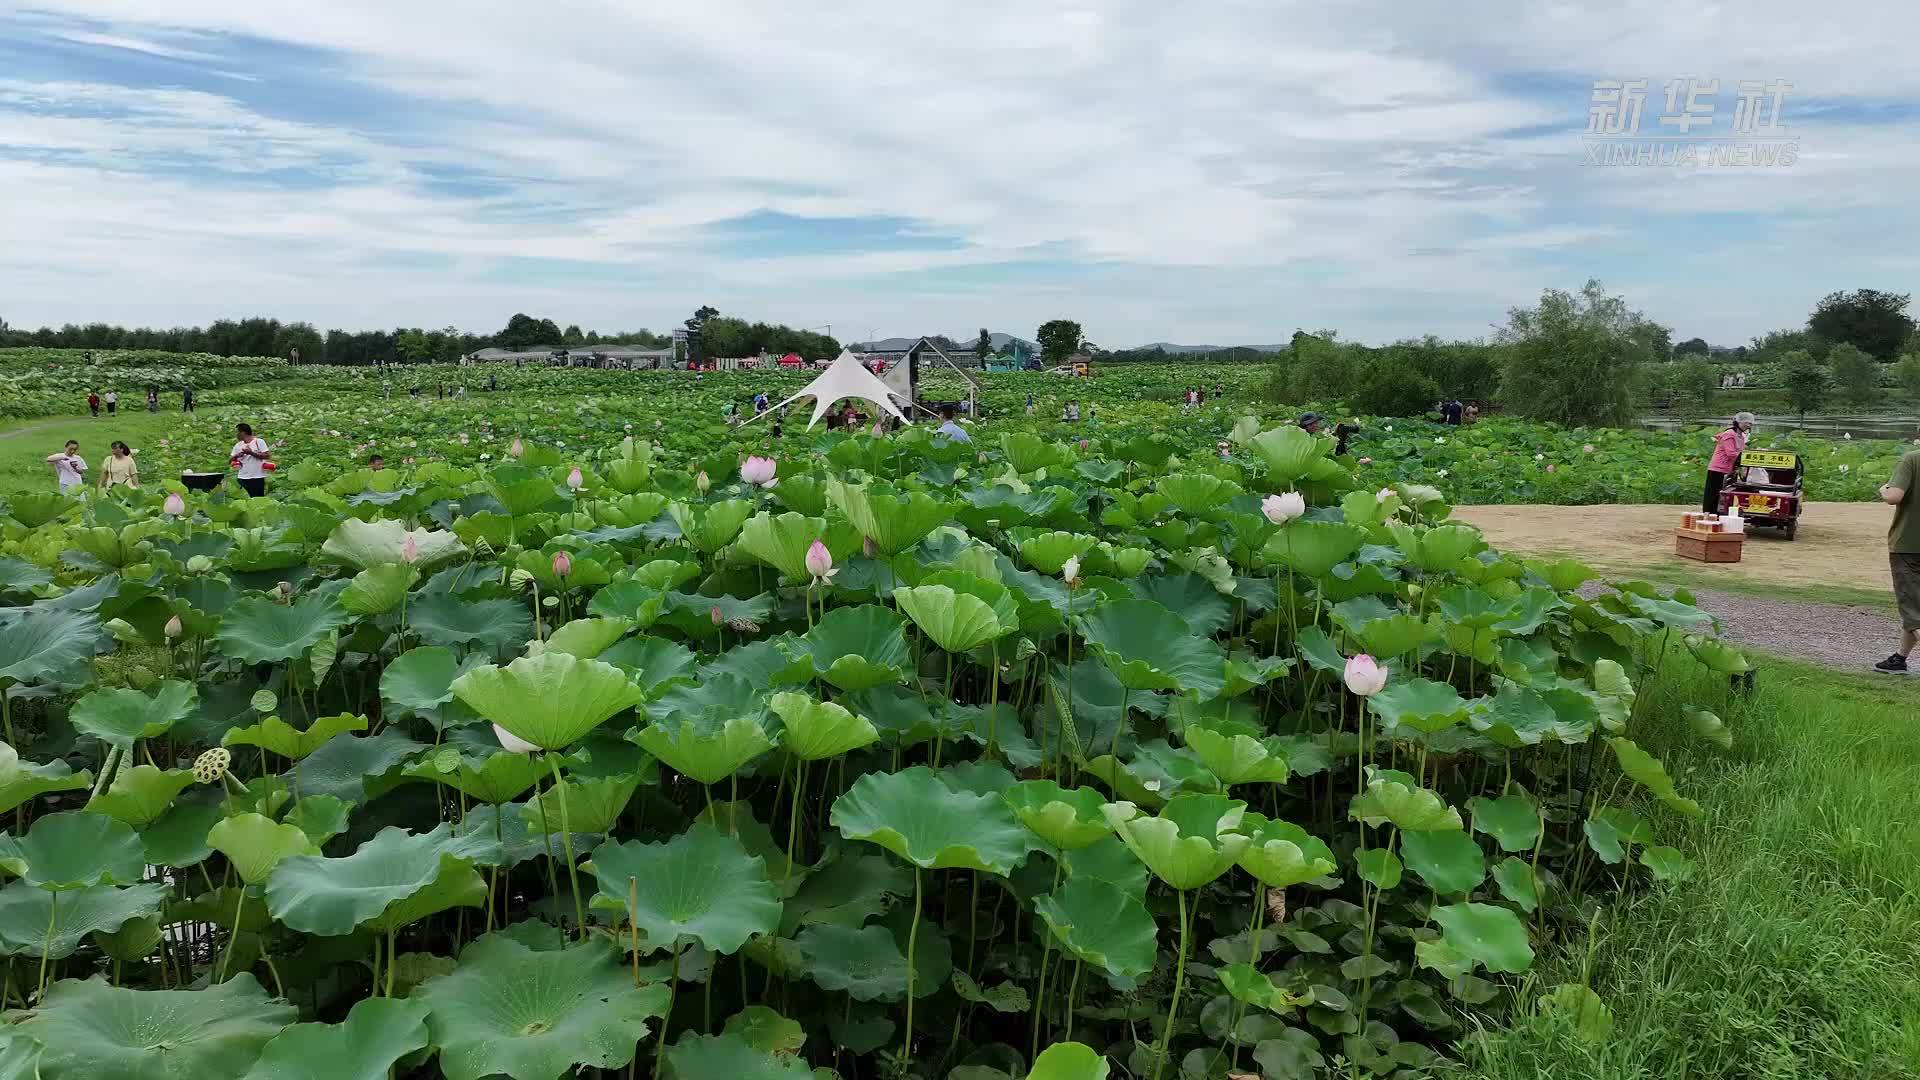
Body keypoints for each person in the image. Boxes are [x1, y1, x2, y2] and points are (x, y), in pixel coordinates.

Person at [1874, 446, 1920, 673]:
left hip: (1910, 545)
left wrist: (1884, 489)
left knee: (1912, 610)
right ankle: (1899, 659)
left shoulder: (1913, 459)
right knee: (1916, 607)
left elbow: (1894, 496)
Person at [1703, 412, 1755, 514]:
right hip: (1718, 468)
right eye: (1746, 423)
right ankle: (1708, 514)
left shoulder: (1740, 436)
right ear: (1738, 422)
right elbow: (1731, 453)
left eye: (1750, 424)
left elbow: (1742, 450)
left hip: (1730, 469)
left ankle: (1718, 514)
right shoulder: (1729, 434)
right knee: (1713, 493)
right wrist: (1747, 459)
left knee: (1724, 493)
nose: (1748, 426)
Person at [231, 423, 272, 498]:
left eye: (237, 432)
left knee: (258, 500)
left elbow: (267, 456)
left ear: (243, 432)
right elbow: (230, 460)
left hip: (257, 477)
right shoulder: (238, 445)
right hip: (242, 477)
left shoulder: (259, 442)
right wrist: (237, 456)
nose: (236, 435)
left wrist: (251, 453)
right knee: (246, 499)